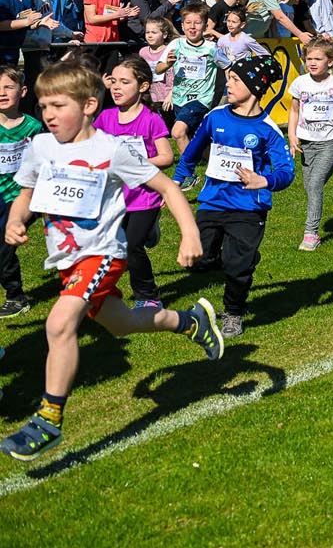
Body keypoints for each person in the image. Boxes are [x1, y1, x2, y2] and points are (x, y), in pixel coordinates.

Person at [2, 61, 220, 462]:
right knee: (122, 325)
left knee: (59, 323)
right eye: (44, 106)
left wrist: (190, 235)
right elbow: (27, 192)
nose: (48, 114)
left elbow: (168, 187)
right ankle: (190, 322)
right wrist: (16, 220)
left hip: (101, 254)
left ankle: (47, 419)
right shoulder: (41, 146)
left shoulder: (110, 150)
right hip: (66, 260)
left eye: (58, 105)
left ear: (88, 105)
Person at [171, 54, 292, 339]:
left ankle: (233, 313)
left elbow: (287, 171)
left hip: (248, 208)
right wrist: (176, 181)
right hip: (212, 201)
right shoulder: (216, 117)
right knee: (198, 260)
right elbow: (191, 152)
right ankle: (239, 256)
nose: (229, 84)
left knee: (237, 268)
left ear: (255, 86)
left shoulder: (268, 129)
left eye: (236, 80)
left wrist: (265, 180)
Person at [95, 57, 175, 308]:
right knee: (111, 245)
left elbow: (167, 157)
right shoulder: (105, 118)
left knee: (132, 246)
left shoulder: (151, 119)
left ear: (143, 86)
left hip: (144, 196)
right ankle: (106, 290)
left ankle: (148, 297)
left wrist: (135, 164)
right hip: (114, 197)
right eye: (113, 81)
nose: (116, 87)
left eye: (124, 82)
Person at [287, 37, 333, 251]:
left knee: (315, 185)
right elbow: (294, 111)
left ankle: (311, 233)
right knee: (309, 187)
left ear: (330, 62)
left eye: (318, 59)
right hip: (306, 141)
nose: (312, 63)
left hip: (328, 141)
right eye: (309, 59)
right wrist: (292, 136)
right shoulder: (300, 83)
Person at [0, 65, 44, 318]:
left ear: (23, 91)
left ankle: (15, 297)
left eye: (8, 87)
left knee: (5, 247)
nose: (2, 93)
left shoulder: (33, 127)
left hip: (19, 198)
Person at [159, 3, 219, 170]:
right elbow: (158, 69)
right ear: (182, 25)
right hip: (179, 98)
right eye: (188, 23)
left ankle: (187, 174)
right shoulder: (175, 45)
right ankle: (215, 165)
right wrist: (167, 64)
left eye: (197, 23)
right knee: (197, 138)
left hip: (201, 99)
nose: (192, 27)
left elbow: (228, 66)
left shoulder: (212, 48)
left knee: (177, 132)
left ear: (205, 26)